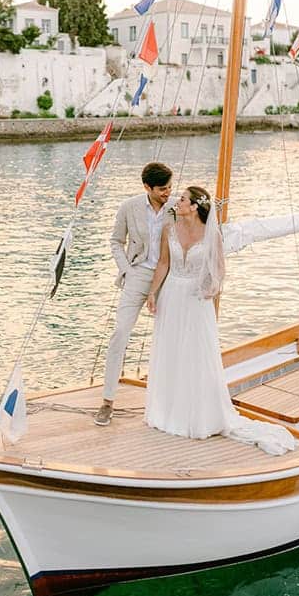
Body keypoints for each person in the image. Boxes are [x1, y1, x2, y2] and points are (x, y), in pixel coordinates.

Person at [144, 186, 297, 455]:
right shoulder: (169, 229)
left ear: (194, 207)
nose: (176, 201)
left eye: (182, 199)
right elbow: (164, 265)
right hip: (173, 295)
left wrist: (212, 289)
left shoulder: (211, 233)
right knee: (170, 352)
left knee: (196, 354)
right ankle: (166, 411)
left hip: (197, 300)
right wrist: (152, 293)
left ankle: (197, 414)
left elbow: (220, 269)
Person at [94, 162, 175, 426]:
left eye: (170, 187)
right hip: (137, 273)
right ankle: (107, 401)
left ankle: (171, 397)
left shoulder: (177, 207)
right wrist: (126, 270)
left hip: (168, 276)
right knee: (120, 333)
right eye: (163, 189)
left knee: (173, 334)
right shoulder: (128, 207)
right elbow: (116, 241)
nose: (168, 192)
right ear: (147, 188)